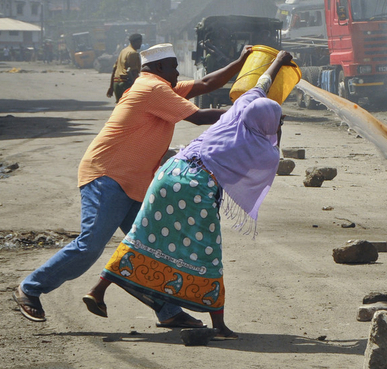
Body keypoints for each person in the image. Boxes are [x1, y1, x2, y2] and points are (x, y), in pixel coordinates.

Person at [13, 43, 254, 327]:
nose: (178, 72)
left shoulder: (161, 87)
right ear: (161, 67)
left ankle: (169, 312)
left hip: (134, 183)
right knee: (89, 246)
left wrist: (241, 61)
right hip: (108, 176)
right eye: (175, 67)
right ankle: (30, 288)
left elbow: (205, 83)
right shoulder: (153, 89)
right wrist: (249, 112)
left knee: (154, 246)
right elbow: (200, 117)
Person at [83, 50, 293, 340]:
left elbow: (263, 83)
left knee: (143, 237)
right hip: (196, 188)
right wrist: (276, 131)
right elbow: (272, 149)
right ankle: (218, 325)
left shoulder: (242, 107)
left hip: (168, 173)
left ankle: (98, 290)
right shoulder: (260, 147)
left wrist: (279, 60)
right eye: (278, 122)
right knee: (207, 253)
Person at [107, 34, 143, 102]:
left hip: (116, 84)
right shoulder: (133, 53)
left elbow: (114, 69)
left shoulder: (123, 51)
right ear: (136, 42)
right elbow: (134, 72)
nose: (140, 44)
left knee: (120, 107)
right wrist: (138, 87)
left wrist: (111, 87)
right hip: (125, 84)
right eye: (139, 42)